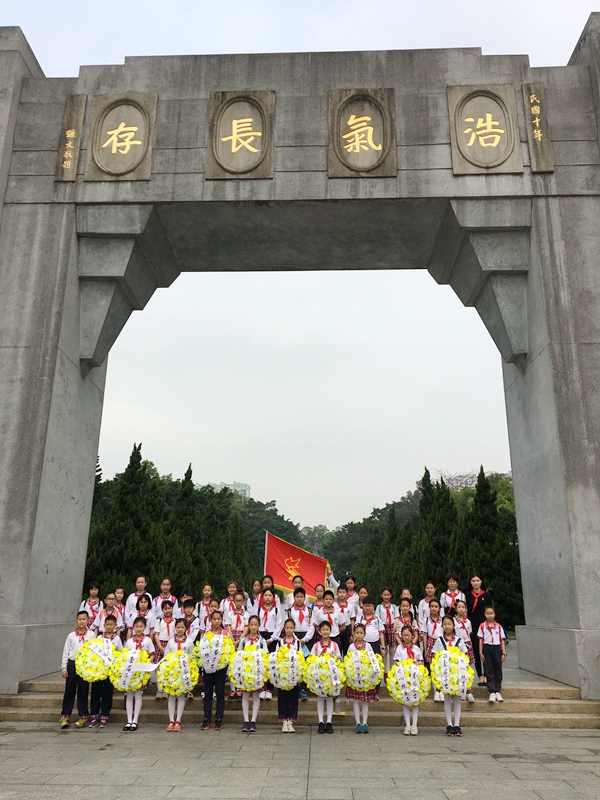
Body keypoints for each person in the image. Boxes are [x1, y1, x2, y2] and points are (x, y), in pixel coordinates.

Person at [427, 615, 472, 736]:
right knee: (447, 700)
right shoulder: (439, 640)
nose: (447, 626)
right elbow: (433, 656)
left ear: (453, 625)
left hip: (457, 675)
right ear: (442, 626)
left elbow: (466, 655)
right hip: (444, 675)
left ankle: (457, 725)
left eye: (449, 624)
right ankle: (449, 725)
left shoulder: (459, 640)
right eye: (445, 624)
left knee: (457, 700)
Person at [59, 611, 95, 728]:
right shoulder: (71, 635)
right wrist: (64, 668)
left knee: (83, 691)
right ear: (76, 621)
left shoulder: (91, 635)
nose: (81, 621)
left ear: (88, 620)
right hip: (72, 664)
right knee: (69, 690)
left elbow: (94, 651)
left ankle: (83, 716)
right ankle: (65, 716)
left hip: (84, 665)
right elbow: (66, 652)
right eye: (79, 619)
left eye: (84, 619)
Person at [123, 616, 156, 731]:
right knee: (129, 695)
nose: (139, 629)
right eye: (136, 627)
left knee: (138, 694)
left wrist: (146, 663)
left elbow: (152, 654)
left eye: (141, 627)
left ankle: (135, 720)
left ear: (145, 627)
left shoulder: (147, 640)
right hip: (130, 672)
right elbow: (124, 655)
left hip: (141, 672)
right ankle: (129, 720)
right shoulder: (129, 642)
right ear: (133, 627)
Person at [89, 614, 122, 728]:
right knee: (96, 691)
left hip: (110, 670)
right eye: (107, 625)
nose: (109, 627)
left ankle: (104, 715)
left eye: (111, 625)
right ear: (103, 625)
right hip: (99, 669)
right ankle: (94, 715)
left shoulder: (117, 639)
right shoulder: (99, 638)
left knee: (107, 692)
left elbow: (120, 653)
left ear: (115, 626)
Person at [201, 610, 232, 731]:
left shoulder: (225, 633)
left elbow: (229, 648)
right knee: (208, 692)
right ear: (210, 620)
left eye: (218, 619)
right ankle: (207, 718)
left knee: (220, 692)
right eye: (214, 619)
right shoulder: (207, 634)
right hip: (208, 667)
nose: (216, 621)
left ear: (222, 620)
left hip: (220, 667)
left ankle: (219, 718)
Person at [237, 615, 268, 732]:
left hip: (257, 673)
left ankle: (253, 720)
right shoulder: (244, 640)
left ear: (259, 626)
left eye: (256, 625)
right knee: (245, 696)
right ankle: (246, 720)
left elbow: (265, 656)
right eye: (251, 625)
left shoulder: (262, 641)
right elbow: (239, 655)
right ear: (248, 626)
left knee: (255, 696)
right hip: (245, 672)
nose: (253, 627)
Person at [164, 618, 195, 731]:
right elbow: (166, 655)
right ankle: (171, 720)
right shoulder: (170, 642)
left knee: (181, 696)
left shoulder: (189, 642)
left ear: (186, 628)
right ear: (175, 628)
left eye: (182, 627)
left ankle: (178, 720)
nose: (180, 629)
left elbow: (192, 657)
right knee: (171, 697)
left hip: (183, 673)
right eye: (178, 627)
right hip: (172, 673)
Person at [346, 623, 378, 734]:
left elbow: (372, 660)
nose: (359, 635)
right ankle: (357, 723)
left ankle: (365, 723)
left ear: (364, 634)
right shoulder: (351, 647)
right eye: (357, 633)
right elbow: (347, 660)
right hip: (355, 677)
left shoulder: (368, 646)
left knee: (365, 701)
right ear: (354, 633)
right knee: (356, 700)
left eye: (361, 633)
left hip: (365, 678)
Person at [311, 620, 341, 733]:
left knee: (329, 697)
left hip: (330, 676)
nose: (325, 631)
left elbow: (339, 659)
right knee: (320, 697)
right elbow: (311, 659)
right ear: (319, 631)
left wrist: (333, 657)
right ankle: (320, 722)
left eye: (327, 629)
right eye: (323, 629)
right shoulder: (316, 646)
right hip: (319, 676)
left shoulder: (334, 645)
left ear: (330, 631)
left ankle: (329, 722)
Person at [393, 624, 423, 735]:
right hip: (404, 678)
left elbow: (421, 661)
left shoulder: (416, 648)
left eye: (408, 635)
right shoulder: (399, 648)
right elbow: (396, 660)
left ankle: (414, 725)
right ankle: (407, 725)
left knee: (415, 701)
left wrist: (416, 664)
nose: (406, 637)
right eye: (404, 635)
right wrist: (402, 666)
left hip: (415, 677)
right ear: (401, 636)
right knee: (405, 700)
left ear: (412, 636)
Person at [465, 574, 493, 686]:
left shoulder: (486, 595)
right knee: (476, 650)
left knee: (485, 650)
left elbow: (490, 610)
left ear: (481, 582)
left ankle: (486, 675)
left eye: (477, 580)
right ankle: (480, 675)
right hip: (473, 626)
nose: (475, 583)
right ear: (470, 583)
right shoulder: (467, 596)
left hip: (484, 626)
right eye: (473, 581)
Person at [276, 618, 302, 732]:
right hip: (283, 675)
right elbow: (276, 657)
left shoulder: (297, 643)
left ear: (294, 629)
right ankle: (284, 720)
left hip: (294, 675)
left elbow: (300, 657)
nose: (289, 630)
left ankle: (291, 720)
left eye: (291, 628)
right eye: (287, 628)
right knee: (282, 697)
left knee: (293, 697)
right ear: (284, 629)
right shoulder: (280, 642)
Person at [478, 606, 507, 703]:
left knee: (498, 668)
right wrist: (481, 653)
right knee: (489, 669)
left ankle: (497, 690)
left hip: (497, 648)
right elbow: (480, 640)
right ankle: (492, 691)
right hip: (487, 648)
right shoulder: (482, 626)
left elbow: (502, 640)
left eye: (492, 613)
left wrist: (503, 653)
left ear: (494, 614)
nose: (490, 615)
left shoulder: (498, 626)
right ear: (484, 614)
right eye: (488, 614)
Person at [258, 587, 282, 699]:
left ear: (273, 597)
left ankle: (270, 688)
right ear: (263, 597)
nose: (268, 597)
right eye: (266, 595)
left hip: (272, 638)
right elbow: (256, 624)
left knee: (271, 663)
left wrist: (272, 639)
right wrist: (261, 639)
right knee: (261, 662)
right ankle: (261, 687)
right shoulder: (259, 610)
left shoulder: (276, 610)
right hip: (261, 637)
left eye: (270, 595)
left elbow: (279, 625)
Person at [153, 599, 177, 698]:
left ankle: (167, 688)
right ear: (162, 610)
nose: (167, 611)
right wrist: (159, 646)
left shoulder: (175, 621)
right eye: (165, 609)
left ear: (172, 609)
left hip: (172, 644)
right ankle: (160, 689)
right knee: (159, 667)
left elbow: (177, 634)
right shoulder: (159, 621)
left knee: (170, 667)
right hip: (161, 643)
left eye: (169, 608)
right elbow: (156, 634)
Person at [453, 599, 475, 703]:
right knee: (458, 668)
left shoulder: (468, 621)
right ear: (455, 608)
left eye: (463, 607)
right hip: (457, 645)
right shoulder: (453, 621)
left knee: (467, 668)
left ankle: (468, 691)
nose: (461, 609)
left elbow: (469, 634)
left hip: (467, 644)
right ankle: (461, 691)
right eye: (459, 607)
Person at [420, 597, 443, 695]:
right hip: (430, 643)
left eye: (436, 607)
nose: (434, 608)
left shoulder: (443, 620)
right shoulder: (426, 620)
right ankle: (430, 687)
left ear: (439, 608)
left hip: (440, 644)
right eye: (432, 606)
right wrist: (425, 649)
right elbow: (425, 635)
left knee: (439, 666)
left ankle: (439, 689)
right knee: (429, 666)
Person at [376, 587, 398, 676]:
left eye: (388, 595)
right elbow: (377, 619)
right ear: (381, 595)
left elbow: (396, 618)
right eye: (384, 595)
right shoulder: (379, 607)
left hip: (391, 628)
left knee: (392, 651)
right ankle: (385, 671)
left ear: (391, 595)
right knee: (384, 650)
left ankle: (392, 670)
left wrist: (395, 627)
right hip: (383, 628)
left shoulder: (394, 607)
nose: (386, 596)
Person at [334, 585, 354, 656]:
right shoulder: (334, 606)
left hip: (347, 629)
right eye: (340, 592)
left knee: (347, 650)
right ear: (337, 593)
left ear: (347, 594)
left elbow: (352, 620)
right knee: (338, 649)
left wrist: (352, 633)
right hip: (338, 629)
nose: (341, 594)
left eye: (343, 592)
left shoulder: (350, 606)